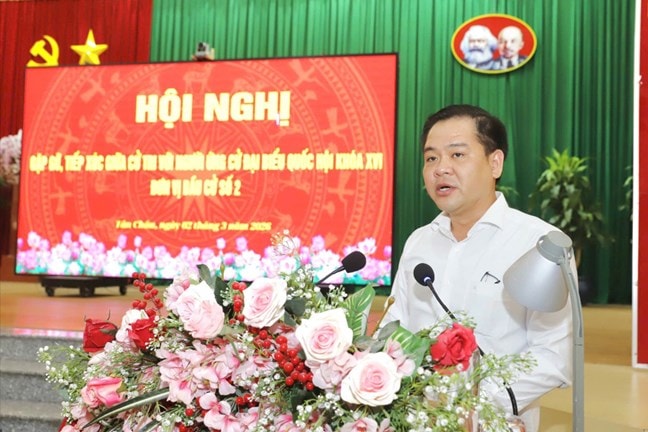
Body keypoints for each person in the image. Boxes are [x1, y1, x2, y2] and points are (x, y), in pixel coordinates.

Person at [383, 104, 573, 432]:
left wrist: (474, 403)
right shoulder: (418, 242)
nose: (440, 169)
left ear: (495, 163)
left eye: (457, 155)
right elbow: (394, 328)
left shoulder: (538, 244)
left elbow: (554, 357)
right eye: (431, 158)